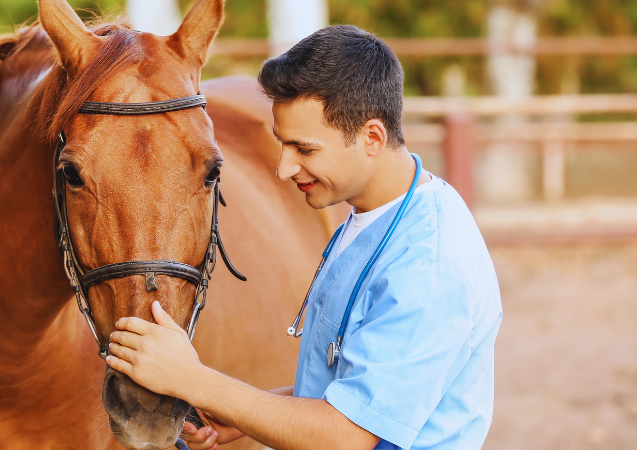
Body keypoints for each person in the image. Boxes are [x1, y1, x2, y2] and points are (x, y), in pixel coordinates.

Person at [105, 25, 503, 450]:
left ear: (372, 137)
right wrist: (241, 412)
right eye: (282, 145)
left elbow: (347, 435)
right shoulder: (375, 215)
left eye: (305, 149)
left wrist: (195, 381)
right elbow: (360, 381)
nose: (284, 169)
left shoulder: (429, 268)